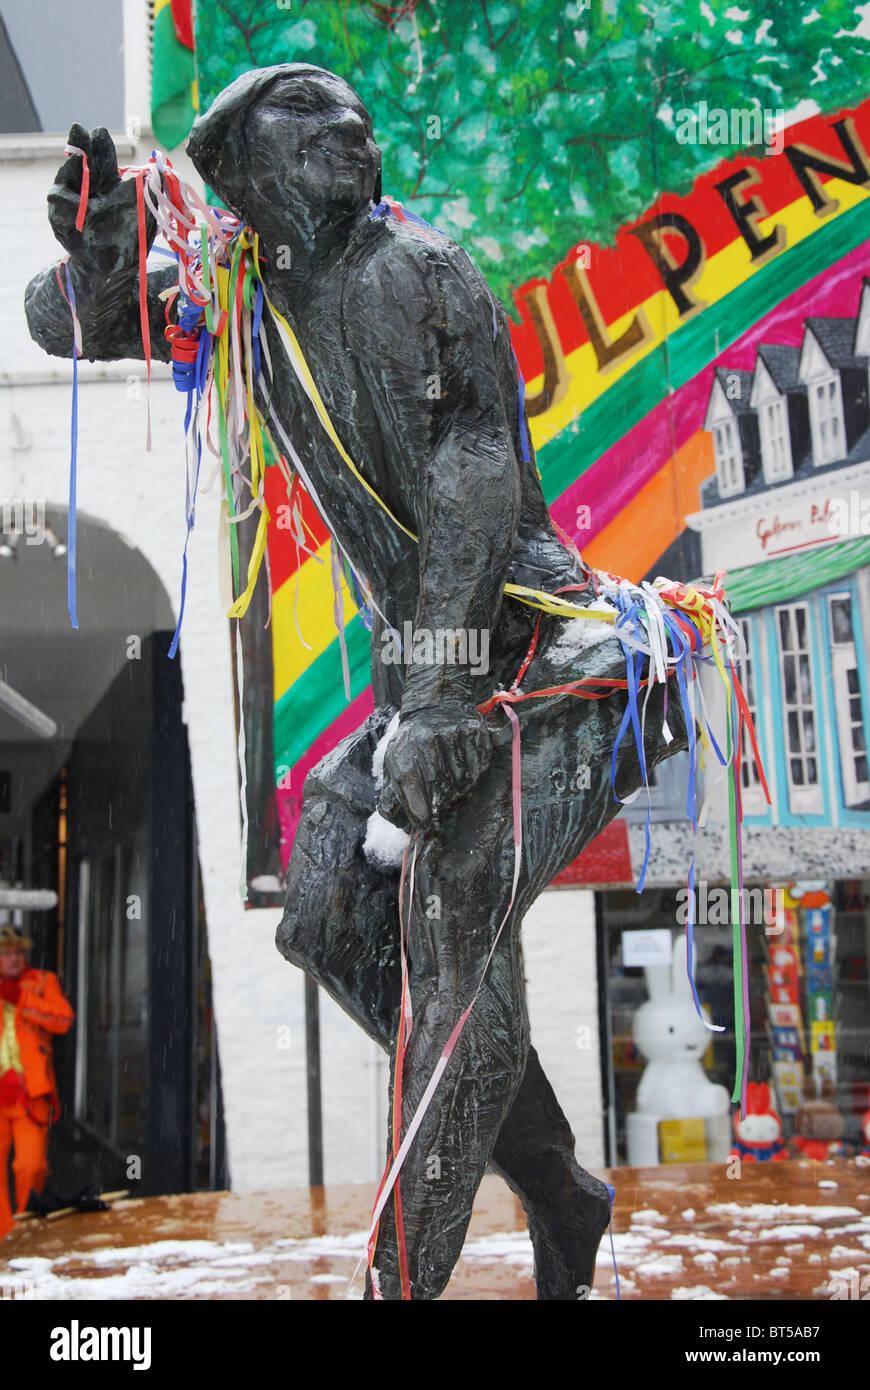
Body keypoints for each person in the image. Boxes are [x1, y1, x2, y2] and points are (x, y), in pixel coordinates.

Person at [25, 64, 688, 1298]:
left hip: (559, 662)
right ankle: (555, 1185)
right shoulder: (249, 291)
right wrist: (99, 263)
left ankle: (398, 1285)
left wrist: (437, 695)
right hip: (437, 684)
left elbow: (476, 466)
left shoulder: (411, 270)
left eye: (353, 122)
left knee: (451, 927)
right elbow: (66, 325)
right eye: (310, 124)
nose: (350, 136)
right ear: (242, 176)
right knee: (326, 914)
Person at [0, 927, 74, 1237]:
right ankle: (4, 1235)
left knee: (30, 1166)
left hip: (31, 1095)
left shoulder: (42, 982)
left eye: (18, 952)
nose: (14, 959)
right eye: (6, 953)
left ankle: (26, 1230)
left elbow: (62, 1020)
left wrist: (23, 999)